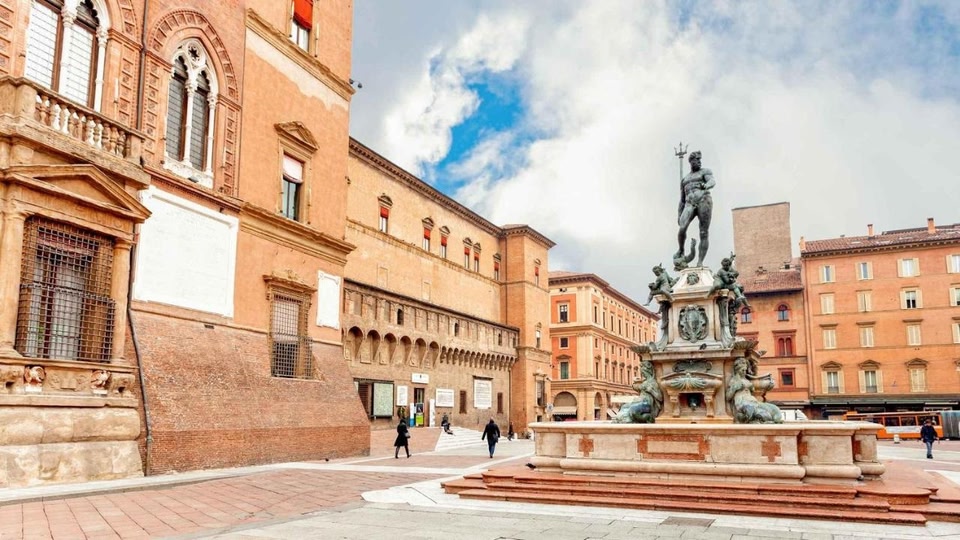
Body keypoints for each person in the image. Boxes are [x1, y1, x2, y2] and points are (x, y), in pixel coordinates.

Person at [676, 150, 715, 267]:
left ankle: (700, 262)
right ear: (691, 161)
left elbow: (712, 181)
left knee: (703, 232)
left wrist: (706, 185)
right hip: (689, 203)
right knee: (682, 228)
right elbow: (682, 200)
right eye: (697, 159)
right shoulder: (684, 179)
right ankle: (681, 249)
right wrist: (679, 214)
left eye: (700, 159)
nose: (699, 161)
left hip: (703, 200)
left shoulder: (705, 172)